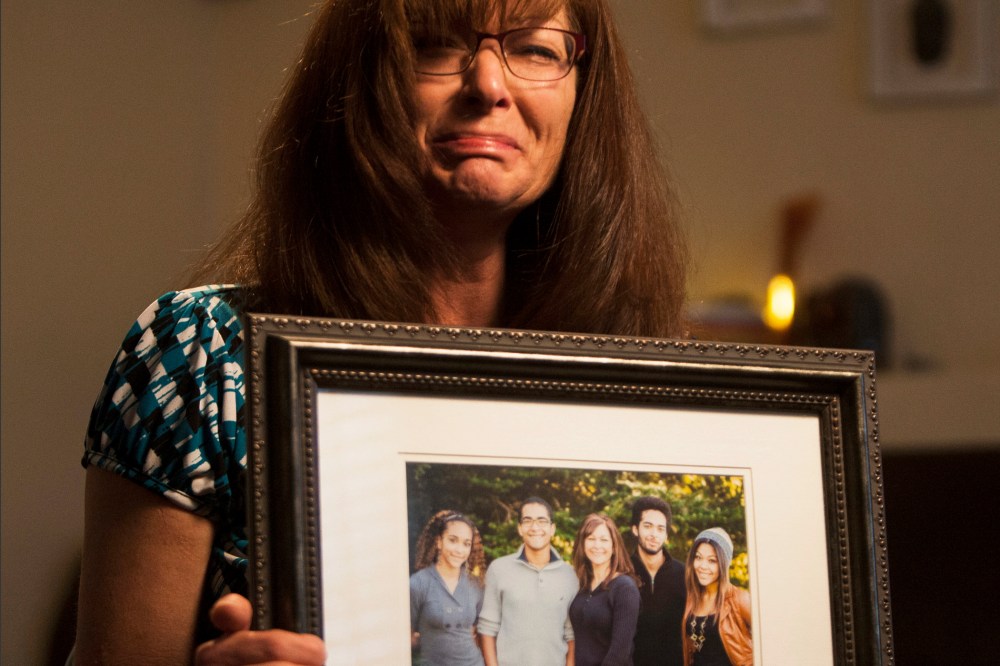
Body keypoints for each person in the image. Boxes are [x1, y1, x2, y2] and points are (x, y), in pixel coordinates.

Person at [73, 0, 688, 663]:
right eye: (431, 44)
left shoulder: (635, 382)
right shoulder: (200, 352)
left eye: (536, 49)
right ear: (360, 85)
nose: (488, 84)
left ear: (581, 95)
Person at [477, 497, 579, 665]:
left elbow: (571, 634)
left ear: (552, 529)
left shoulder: (570, 575)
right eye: (527, 521)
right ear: (519, 528)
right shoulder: (499, 569)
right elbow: (487, 628)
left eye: (542, 521)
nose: (535, 527)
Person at [410, 510, 487, 665]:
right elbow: (405, 638)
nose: (459, 550)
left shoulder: (475, 584)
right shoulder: (418, 583)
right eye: (453, 540)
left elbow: (479, 632)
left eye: (466, 544)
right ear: (439, 542)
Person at [568, 513, 641, 666]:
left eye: (604, 540)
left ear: (614, 547)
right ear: (582, 543)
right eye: (591, 539)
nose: (597, 546)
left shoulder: (624, 588)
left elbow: (620, 653)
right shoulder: (581, 585)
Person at [629, 496, 686, 666]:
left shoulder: (684, 574)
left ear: (666, 534)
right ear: (635, 529)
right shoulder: (622, 572)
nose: (654, 534)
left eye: (661, 529)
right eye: (648, 526)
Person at [681, 528, 752, 666]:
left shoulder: (739, 599)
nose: (703, 566)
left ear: (724, 564)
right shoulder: (693, 597)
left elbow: (769, 641)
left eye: (712, 561)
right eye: (698, 557)